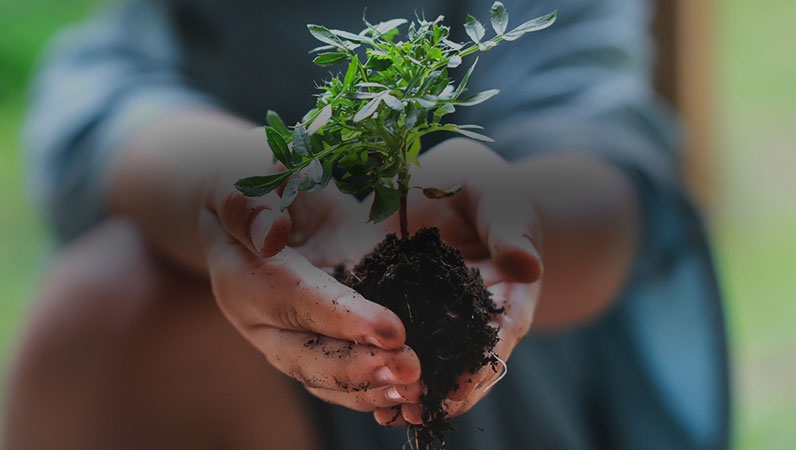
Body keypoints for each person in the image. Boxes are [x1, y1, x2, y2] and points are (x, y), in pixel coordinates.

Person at [5, 0, 729, 449]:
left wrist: (518, 219)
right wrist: (232, 184)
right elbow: (105, 92)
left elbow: (600, 143)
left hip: (537, 375)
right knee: (108, 301)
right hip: (205, 317)